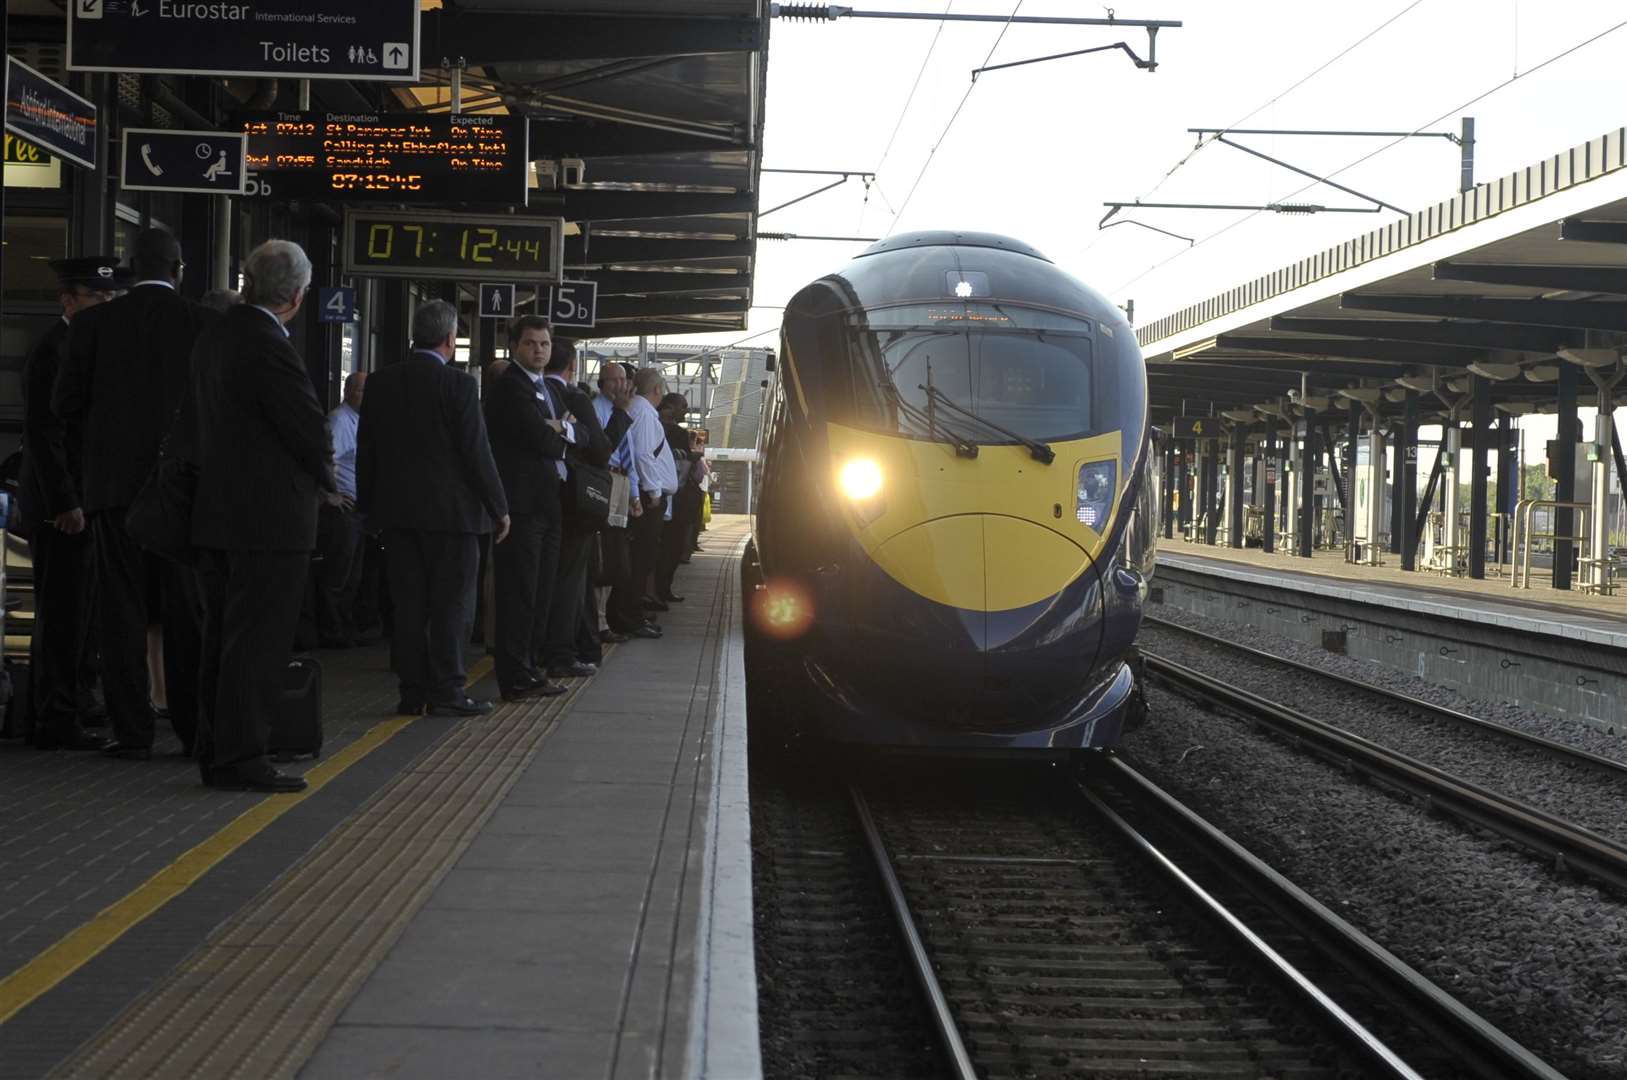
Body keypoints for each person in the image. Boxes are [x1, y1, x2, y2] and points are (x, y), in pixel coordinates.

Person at [54, 227, 214, 760]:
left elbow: (65, 405)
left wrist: (96, 457)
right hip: (182, 492)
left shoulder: (94, 324)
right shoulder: (203, 324)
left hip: (114, 490)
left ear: (128, 267)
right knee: (185, 611)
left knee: (119, 610)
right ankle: (194, 729)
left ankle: (132, 731)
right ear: (178, 269)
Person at [188, 240, 334, 792]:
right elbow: (306, 425)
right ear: (296, 296)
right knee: (257, 642)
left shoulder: (217, 335)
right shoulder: (267, 344)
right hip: (268, 521)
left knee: (221, 640)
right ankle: (243, 756)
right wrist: (324, 477)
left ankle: (218, 749)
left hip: (220, 513)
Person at [359, 301, 509, 716]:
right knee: (452, 605)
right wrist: (499, 507)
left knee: (408, 606)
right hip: (454, 519)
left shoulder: (380, 382)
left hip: (398, 517)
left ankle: (411, 693)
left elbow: (367, 452)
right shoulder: (458, 386)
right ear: (449, 340)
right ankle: (447, 691)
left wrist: (368, 509)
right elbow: (476, 452)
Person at [19, 257, 125, 751]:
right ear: (68, 300)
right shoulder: (52, 350)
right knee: (61, 612)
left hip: (87, 500)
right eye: (96, 298)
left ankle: (78, 700)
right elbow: (45, 435)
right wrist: (65, 500)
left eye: (109, 298)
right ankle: (54, 717)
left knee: (83, 610)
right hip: (60, 508)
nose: (105, 306)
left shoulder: (87, 346)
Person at [482, 316, 571, 701]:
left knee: (540, 592)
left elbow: (576, 433)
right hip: (520, 507)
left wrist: (559, 428)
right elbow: (541, 440)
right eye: (531, 343)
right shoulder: (510, 388)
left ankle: (530, 669)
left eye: (545, 344)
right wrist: (555, 431)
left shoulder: (546, 389)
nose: (539, 350)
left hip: (548, 505)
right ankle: (515, 674)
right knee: (519, 594)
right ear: (514, 346)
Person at [539, 338, 610, 680]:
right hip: (575, 502)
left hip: (537, 501)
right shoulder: (574, 397)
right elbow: (600, 448)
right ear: (573, 367)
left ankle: (540, 650)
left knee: (540, 579)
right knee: (570, 582)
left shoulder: (531, 391)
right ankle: (562, 654)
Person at [611, 368, 676, 633]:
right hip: (647, 502)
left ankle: (630, 613)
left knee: (638, 559)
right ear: (658, 390)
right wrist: (654, 492)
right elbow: (644, 456)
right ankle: (631, 616)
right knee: (641, 560)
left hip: (641, 496)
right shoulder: (646, 413)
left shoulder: (636, 410)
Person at [316, 371, 367, 647]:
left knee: (353, 575)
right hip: (342, 512)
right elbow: (325, 460)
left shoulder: (362, 421)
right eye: (360, 390)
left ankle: (345, 628)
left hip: (359, 511)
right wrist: (329, 495)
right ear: (347, 391)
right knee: (337, 574)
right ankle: (331, 632)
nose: (366, 396)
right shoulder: (339, 420)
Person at [654, 392, 692, 605]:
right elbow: (684, 466)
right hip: (674, 496)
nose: (685, 410)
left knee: (661, 547)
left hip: (657, 494)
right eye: (682, 406)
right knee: (672, 546)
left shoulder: (660, 428)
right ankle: (663, 589)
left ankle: (659, 591)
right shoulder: (678, 433)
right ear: (669, 407)